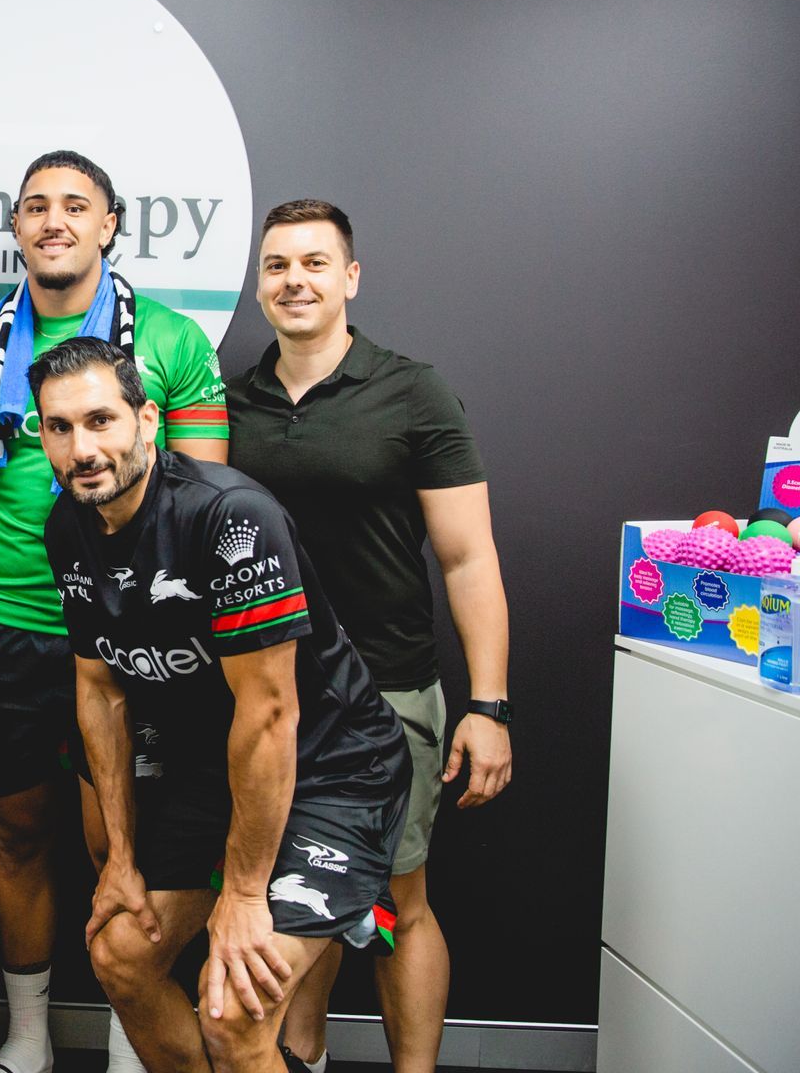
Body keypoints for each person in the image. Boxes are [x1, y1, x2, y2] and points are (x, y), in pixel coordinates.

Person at [32, 337, 411, 1073]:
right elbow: (101, 689)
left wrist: (242, 894)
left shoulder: (230, 517)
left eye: (102, 420)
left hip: (332, 769)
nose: (82, 448)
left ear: (147, 420)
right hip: (214, 767)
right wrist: (119, 858)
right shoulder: (68, 526)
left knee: (234, 1009)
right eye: (60, 427)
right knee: (119, 954)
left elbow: (271, 717)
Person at [0, 150, 228, 1073]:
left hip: (138, 634)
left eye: (76, 205)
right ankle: (27, 1039)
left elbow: (210, 497)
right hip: (11, 623)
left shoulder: (174, 341)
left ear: (110, 224)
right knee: (18, 832)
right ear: (16, 229)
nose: (52, 219)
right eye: (34, 206)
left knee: (125, 838)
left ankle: (128, 1043)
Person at [226, 200, 511, 1073]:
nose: (294, 280)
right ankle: (301, 1054)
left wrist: (489, 705)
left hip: (386, 692)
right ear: (260, 284)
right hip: (269, 698)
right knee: (293, 888)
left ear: (350, 278)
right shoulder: (230, 399)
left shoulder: (412, 391)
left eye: (315, 263)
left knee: (399, 900)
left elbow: (468, 560)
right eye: (276, 265)